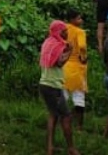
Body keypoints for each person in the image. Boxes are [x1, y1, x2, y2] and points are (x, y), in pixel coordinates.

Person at [39, 20, 80, 155]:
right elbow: (59, 63)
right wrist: (70, 52)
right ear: (58, 32)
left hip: (44, 84)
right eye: (64, 31)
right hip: (53, 86)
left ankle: (49, 148)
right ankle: (71, 148)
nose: (66, 33)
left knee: (53, 115)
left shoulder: (48, 43)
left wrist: (66, 49)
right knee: (66, 116)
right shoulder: (57, 44)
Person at [62, 10, 89, 130]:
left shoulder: (64, 29)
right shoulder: (80, 32)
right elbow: (82, 46)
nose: (81, 21)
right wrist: (83, 56)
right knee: (79, 98)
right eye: (78, 18)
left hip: (64, 67)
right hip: (77, 68)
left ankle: (61, 122)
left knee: (63, 97)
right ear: (72, 20)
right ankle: (79, 126)